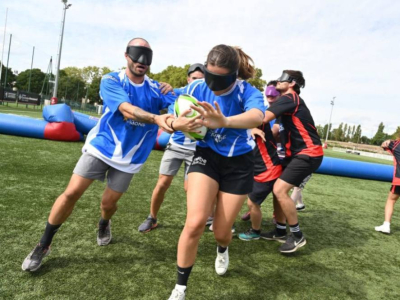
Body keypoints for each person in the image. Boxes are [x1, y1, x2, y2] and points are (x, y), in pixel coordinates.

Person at [21, 37, 183, 272]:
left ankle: (104, 222)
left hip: (131, 156)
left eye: (147, 56)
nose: (142, 61)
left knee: (108, 204)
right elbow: (127, 110)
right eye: (137, 54)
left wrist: (174, 93)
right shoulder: (111, 80)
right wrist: (156, 118)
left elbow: (183, 100)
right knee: (71, 193)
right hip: (102, 146)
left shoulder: (156, 88)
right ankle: (44, 244)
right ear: (126, 56)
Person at [166, 44, 265, 300]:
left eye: (220, 79)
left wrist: (225, 122)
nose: (213, 84)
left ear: (234, 75)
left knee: (222, 232)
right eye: (209, 76)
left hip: (239, 163)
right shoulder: (198, 87)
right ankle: (180, 289)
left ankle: (222, 249)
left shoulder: (247, 91)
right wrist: (171, 108)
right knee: (196, 222)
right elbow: (172, 100)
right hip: (206, 156)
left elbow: (256, 116)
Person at [260, 70, 323, 253]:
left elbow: (263, 118)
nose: (278, 80)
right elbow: (274, 129)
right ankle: (280, 230)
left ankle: (297, 236)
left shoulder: (289, 98)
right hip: (295, 154)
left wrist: (231, 121)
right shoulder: (286, 102)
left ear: (292, 83)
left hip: (308, 154)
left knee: (279, 189)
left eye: (283, 78)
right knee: (276, 189)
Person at [138, 63, 206, 233]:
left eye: (201, 79)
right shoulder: (176, 95)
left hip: (196, 149)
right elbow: (155, 89)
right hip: (175, 146)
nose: (197, 82)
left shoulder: (208, 96)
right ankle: (152, 217)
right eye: (194, 79)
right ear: (188, 79)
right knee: (162, 183)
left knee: (190, 188)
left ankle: (194, 221)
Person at [241, 81, 280, 222]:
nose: (270, 96)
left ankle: (279, 220)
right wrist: (249, 129)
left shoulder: (278, 112)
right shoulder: (260, 110)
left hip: (272, 164)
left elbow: (275, 131)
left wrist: (254, 128)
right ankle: (255, 210)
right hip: (260, 163)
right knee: (251, 197)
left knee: (279, 193)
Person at [237, 120, 282, 241]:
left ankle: (255, 231)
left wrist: (251, 128)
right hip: (260, 169)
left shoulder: (259, 120)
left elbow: (257, 118)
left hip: (267, 170)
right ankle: (279, 225)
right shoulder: (245, 125)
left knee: (252, 203)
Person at [375, 137, 400, 234]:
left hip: (399, 179)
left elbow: (383, 145)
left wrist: (389, 141)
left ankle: (386, 225)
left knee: (391, 200)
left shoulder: (396, 144)